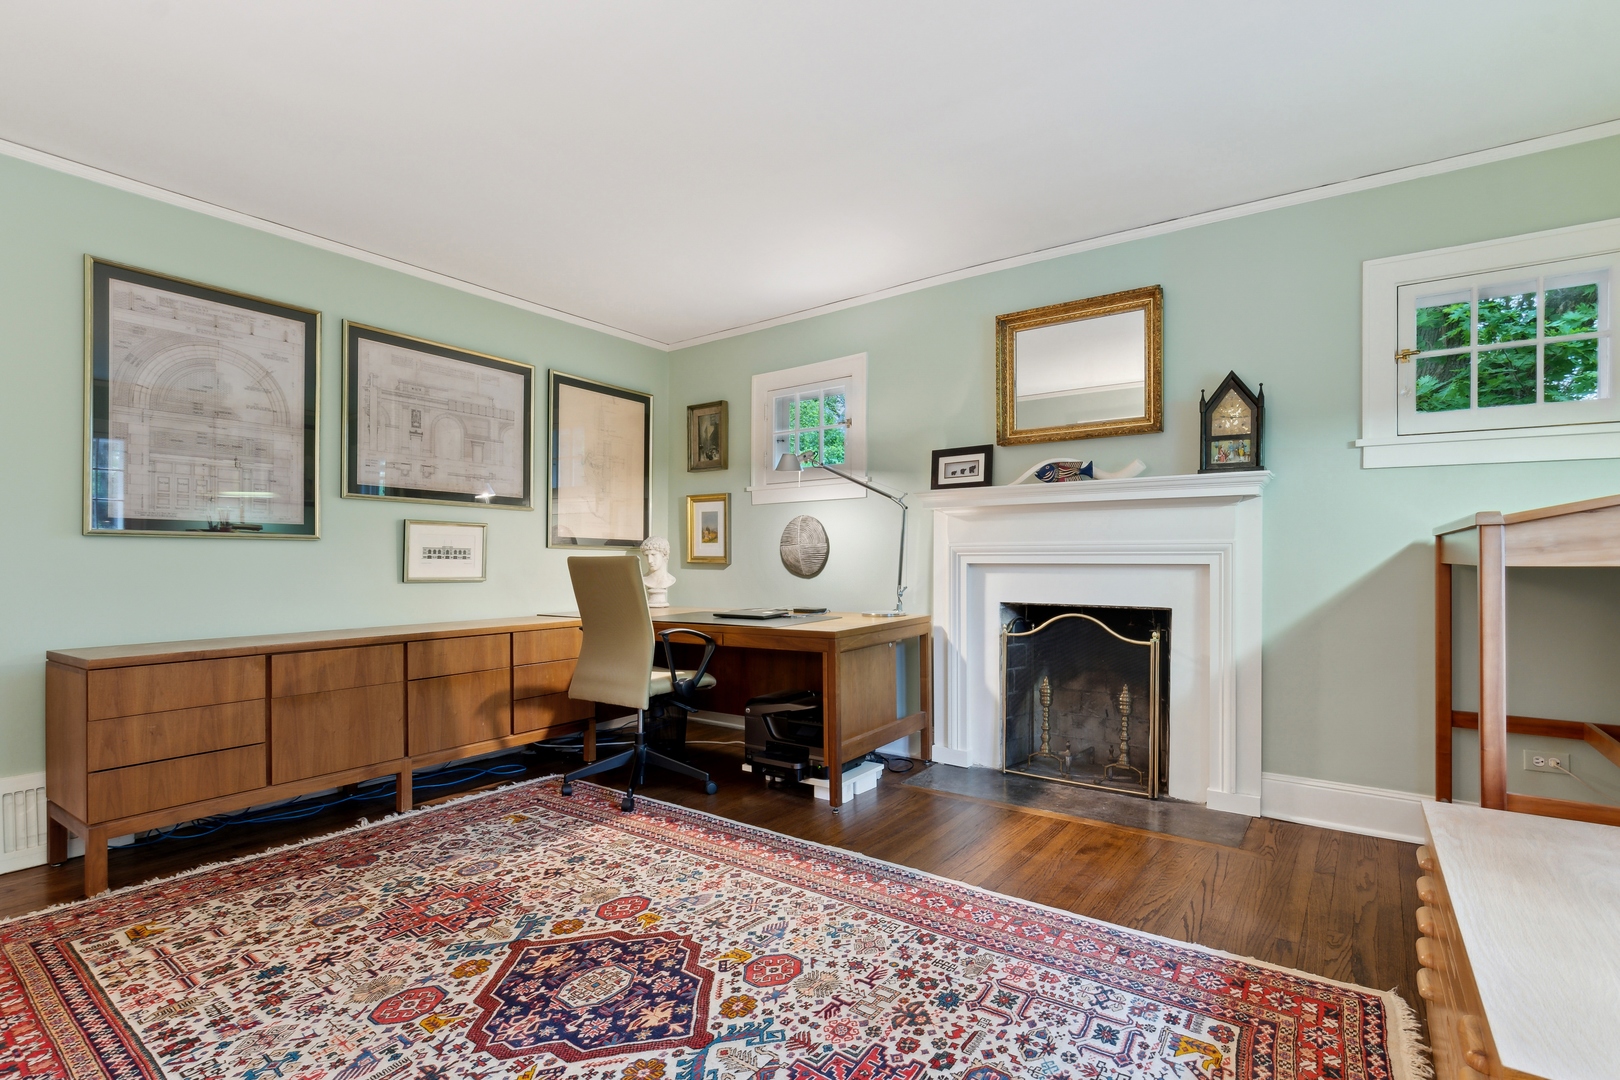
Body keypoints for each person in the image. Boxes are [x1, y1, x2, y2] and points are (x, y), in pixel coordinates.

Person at [641, 536, 675, 607]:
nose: (649, 560)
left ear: (664, 555)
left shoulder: (670, 580)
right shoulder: (643, 579)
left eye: (653, 554)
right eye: (646, 555)